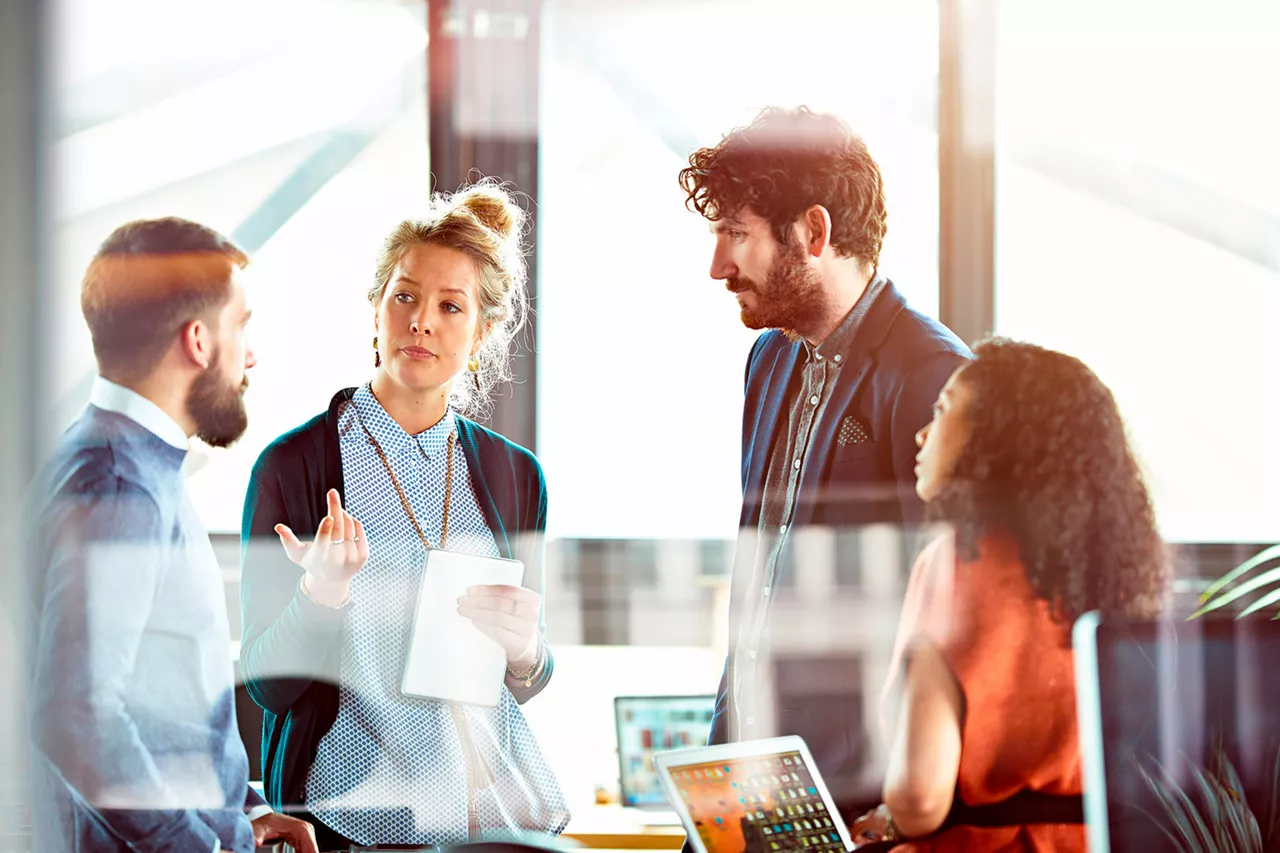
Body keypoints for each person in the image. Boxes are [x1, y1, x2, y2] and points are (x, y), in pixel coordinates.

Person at [239, 180, 568, 849]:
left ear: (480, 332)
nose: (422, 320)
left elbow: (519, 680)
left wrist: (528, 649)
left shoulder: (515, 476)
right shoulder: (293, 468)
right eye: (406, 296)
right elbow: (267, 689)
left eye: (451, 306)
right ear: (376, 310)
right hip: (342, 821)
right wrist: (319, 593)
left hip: (484, 819)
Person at [677, 106, 971, 808]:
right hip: (748, 787)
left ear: (814, 231)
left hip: (862, 801)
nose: (718, 265)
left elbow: (956, 622)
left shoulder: (936, 378)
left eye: (735, 235)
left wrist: (905, 805)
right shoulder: (768, 357)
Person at [23, 218, 317, 853]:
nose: (253, 353)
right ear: (197, 340)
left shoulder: (125, 464)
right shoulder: (117, 485)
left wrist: (240, 813)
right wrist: (199, 845)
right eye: (241, 325)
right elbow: (78, 718)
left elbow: (161, 706)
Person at [850, 338, 1168, 851]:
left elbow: (919, 799)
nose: (921, 434)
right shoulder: (1113, 565)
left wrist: (888, 820)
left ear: (994, 441)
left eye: (944, 410)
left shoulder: (957, 562)